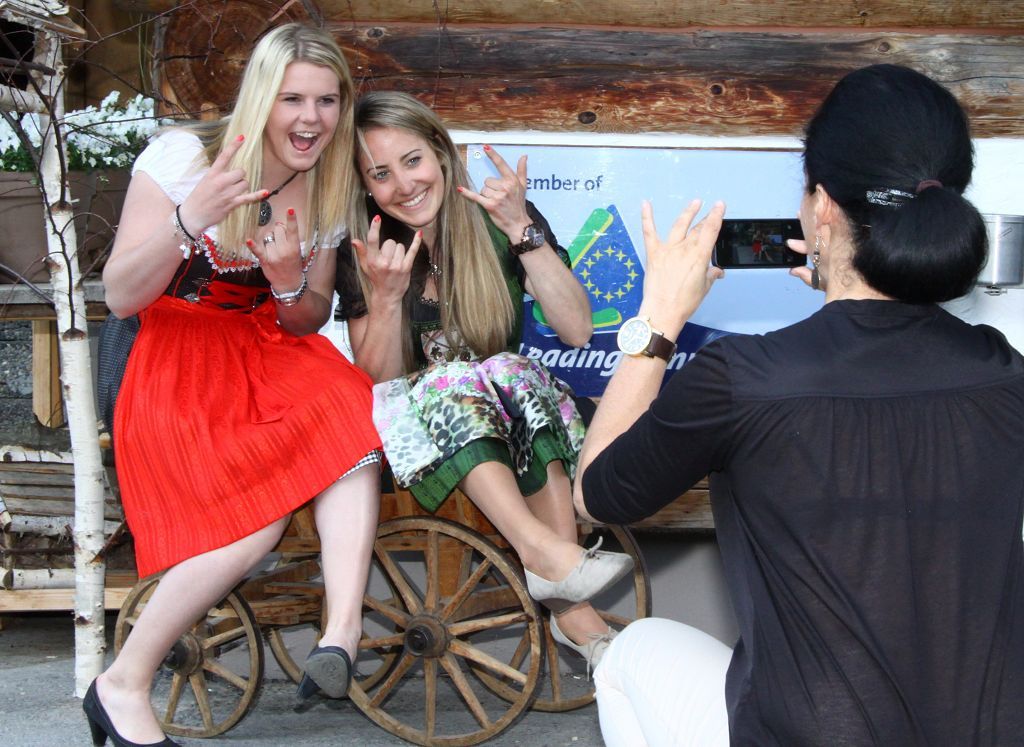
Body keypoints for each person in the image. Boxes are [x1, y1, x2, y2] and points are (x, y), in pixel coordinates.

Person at [575, 64, 1024, 746]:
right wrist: (843, 300)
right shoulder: (1003, 370)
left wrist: (658, 320)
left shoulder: (745, 378)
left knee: (628, 653)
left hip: (809, 731)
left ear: (823, 208)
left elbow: (598, 493)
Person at [85, 24, 381, 746]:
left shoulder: (328, 183)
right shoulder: (186, 157)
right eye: (292, 100)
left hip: (263, 348)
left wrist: (286, 283)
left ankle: (341, 632)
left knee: (350, 405)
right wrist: (191, 219)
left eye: (327, 101)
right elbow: (119, 295)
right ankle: (121, 683)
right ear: (261, 98)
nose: (311, 119)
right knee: (259, 518)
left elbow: (306, 317)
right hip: (169, 351)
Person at [335, 91, 633, 669]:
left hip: (507, 420)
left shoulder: (500, 221)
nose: (404, 185)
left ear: (441, 153)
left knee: (511, 369)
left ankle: (565, 596)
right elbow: (378, 382)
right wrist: (389, 297)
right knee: (450, 378)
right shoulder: (367, 247)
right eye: (381, 174)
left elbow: (576, 329)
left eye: (413, 161)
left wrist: (521, 227)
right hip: (414, 435)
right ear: (366, 187)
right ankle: (546, 557)